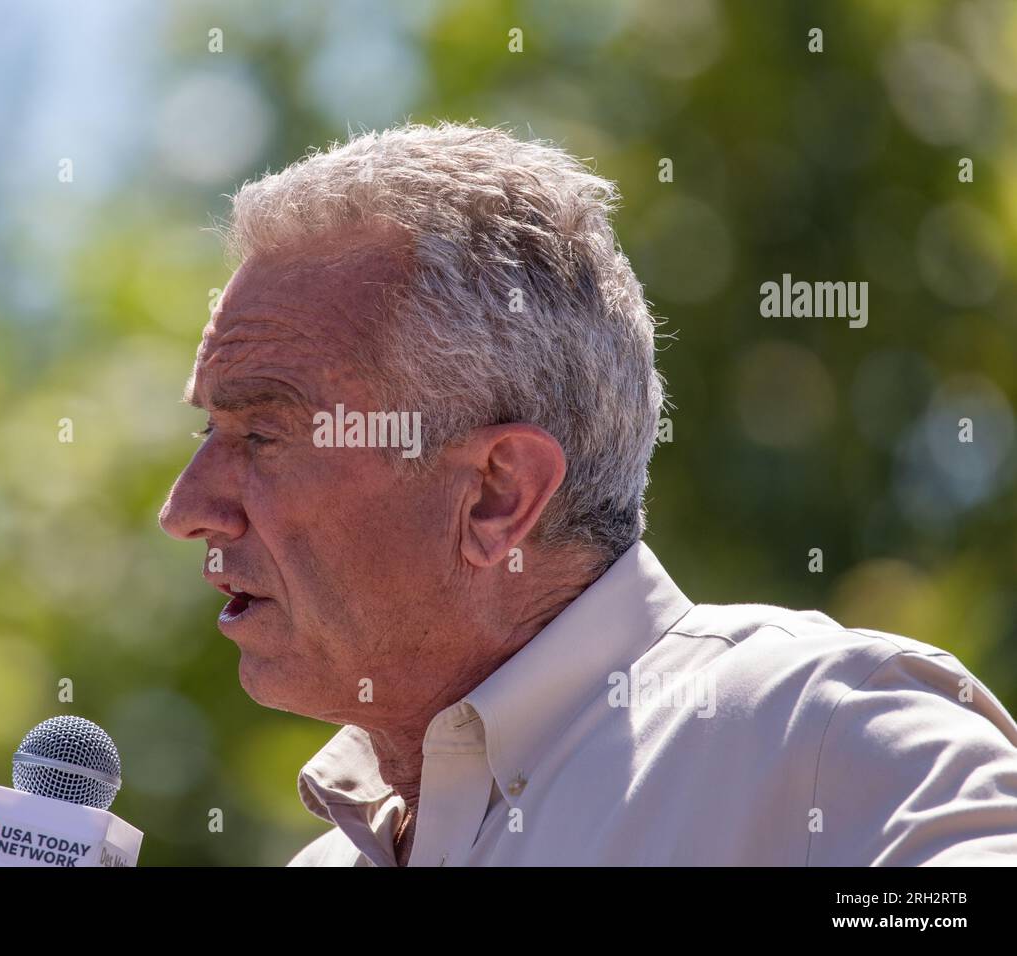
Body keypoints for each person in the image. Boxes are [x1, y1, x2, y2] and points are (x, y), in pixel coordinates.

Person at [158, 122, 1017, 866]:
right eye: (209, 432)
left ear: (498, 496)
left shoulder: (817, 729)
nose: (184, 508)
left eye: (262, 436)